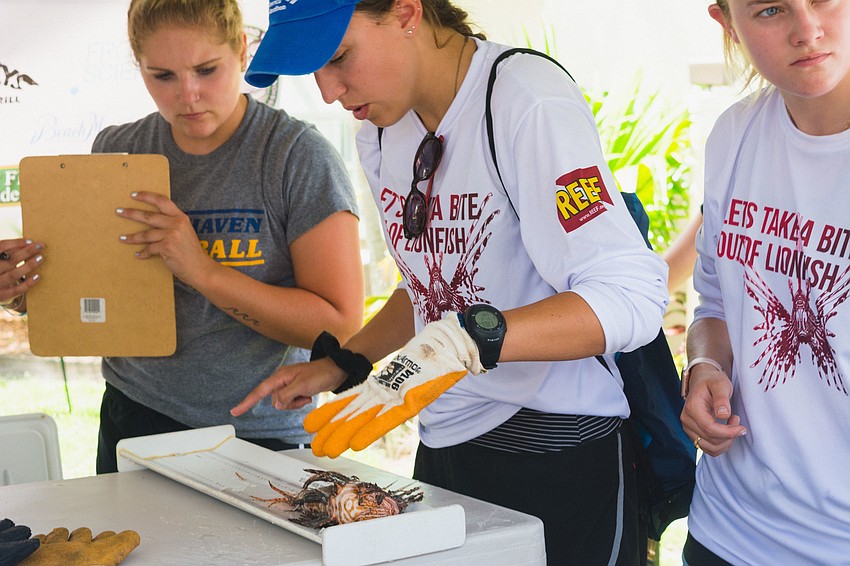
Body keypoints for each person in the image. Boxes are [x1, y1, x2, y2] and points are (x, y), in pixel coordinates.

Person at [231, 1, 669, 563]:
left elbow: (629, 295)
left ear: (407, 12)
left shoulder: (525, 101)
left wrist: (470, 339)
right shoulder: (383, 130)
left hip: (556, 450)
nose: (328, 92)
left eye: (339, 57)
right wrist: (344, 362)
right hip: (444, 450)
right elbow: (426, 288)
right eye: (314, 71)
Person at [0, 0, 364, 474]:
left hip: (258, 433)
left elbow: (340, 326)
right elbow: (102, 292)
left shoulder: (295, 156)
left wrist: (202, 272)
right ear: (139, 68)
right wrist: (26, 290)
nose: (188, 95)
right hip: (133, 415)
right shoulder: (118, 149)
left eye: (206, 70)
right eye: (163, 76)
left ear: (242, 50)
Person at [679, 1, 850, 564]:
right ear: (727, 23)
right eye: (771, 9)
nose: (808, 29)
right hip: (727, 530)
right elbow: (716, 300)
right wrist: (704, 366)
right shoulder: (735, 134)